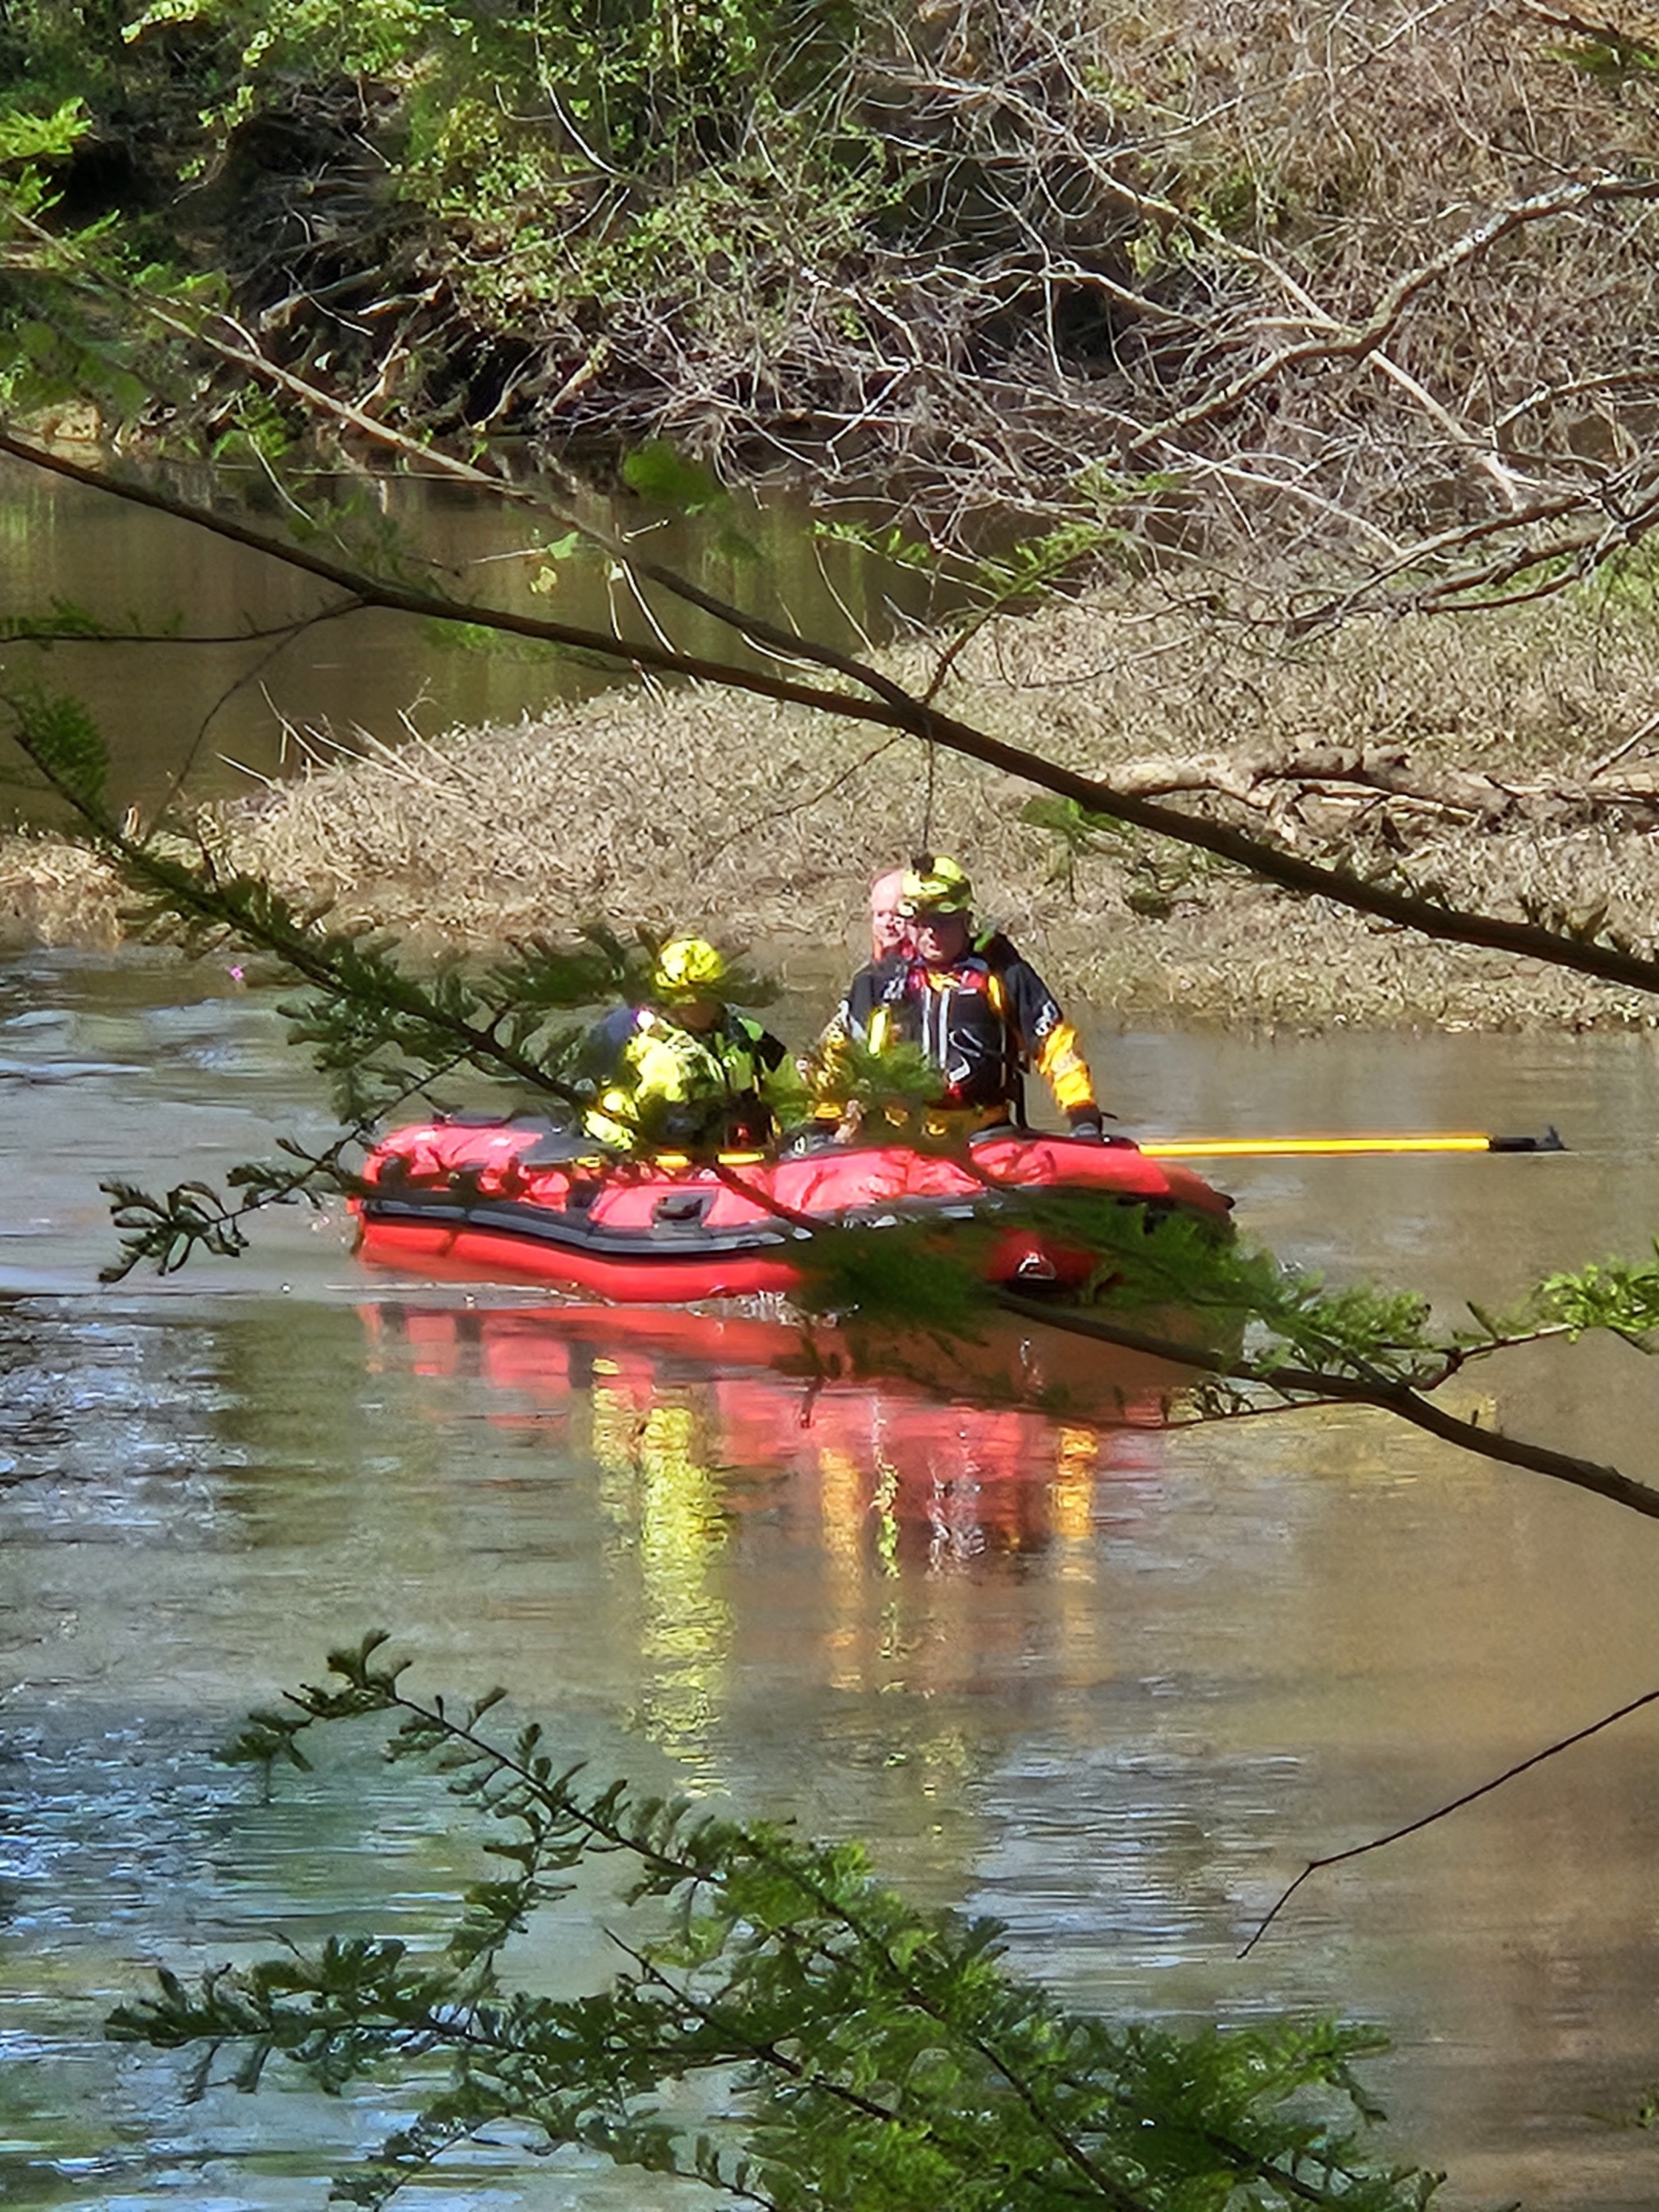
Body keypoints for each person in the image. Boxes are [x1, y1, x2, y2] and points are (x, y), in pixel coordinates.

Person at [817, 856, 1107, 1138]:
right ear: (907, 923)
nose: (931, 934)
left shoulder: (1002, 972)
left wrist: (1082, 1114)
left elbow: (1055, 1044)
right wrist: (824, 1121)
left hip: (987, 1133)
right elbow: (836, 1052)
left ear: (965, 920)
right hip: (904, 1136)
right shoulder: (878, 982)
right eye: (921, 922)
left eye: (943, 922)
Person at [582, 937, 787, 1153]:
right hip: (672, 1172)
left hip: (750, 1165)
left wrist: (791, 1139)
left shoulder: (751, 1038)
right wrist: (634, 1148)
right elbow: (604, 1119)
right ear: (669, 999)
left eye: (704, 996)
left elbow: (792, 1097)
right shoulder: (646, 1052)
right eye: (685, 999)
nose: (697, 1006)